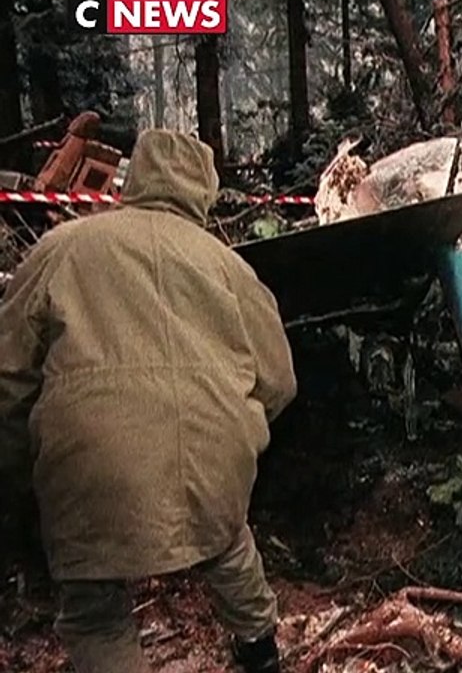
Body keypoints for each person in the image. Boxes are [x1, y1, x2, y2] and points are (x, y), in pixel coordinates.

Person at [0, 129, 298, 673]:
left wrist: (22, 472)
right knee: (226, 539)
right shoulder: (229, 266)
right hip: (211, 452)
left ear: (132, 178)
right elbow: (278, 381)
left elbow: (7, 376)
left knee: (95, 612)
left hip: (88, 465)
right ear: (204, 189)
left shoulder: (61, 248)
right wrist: (239, 429)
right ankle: (260, 651)